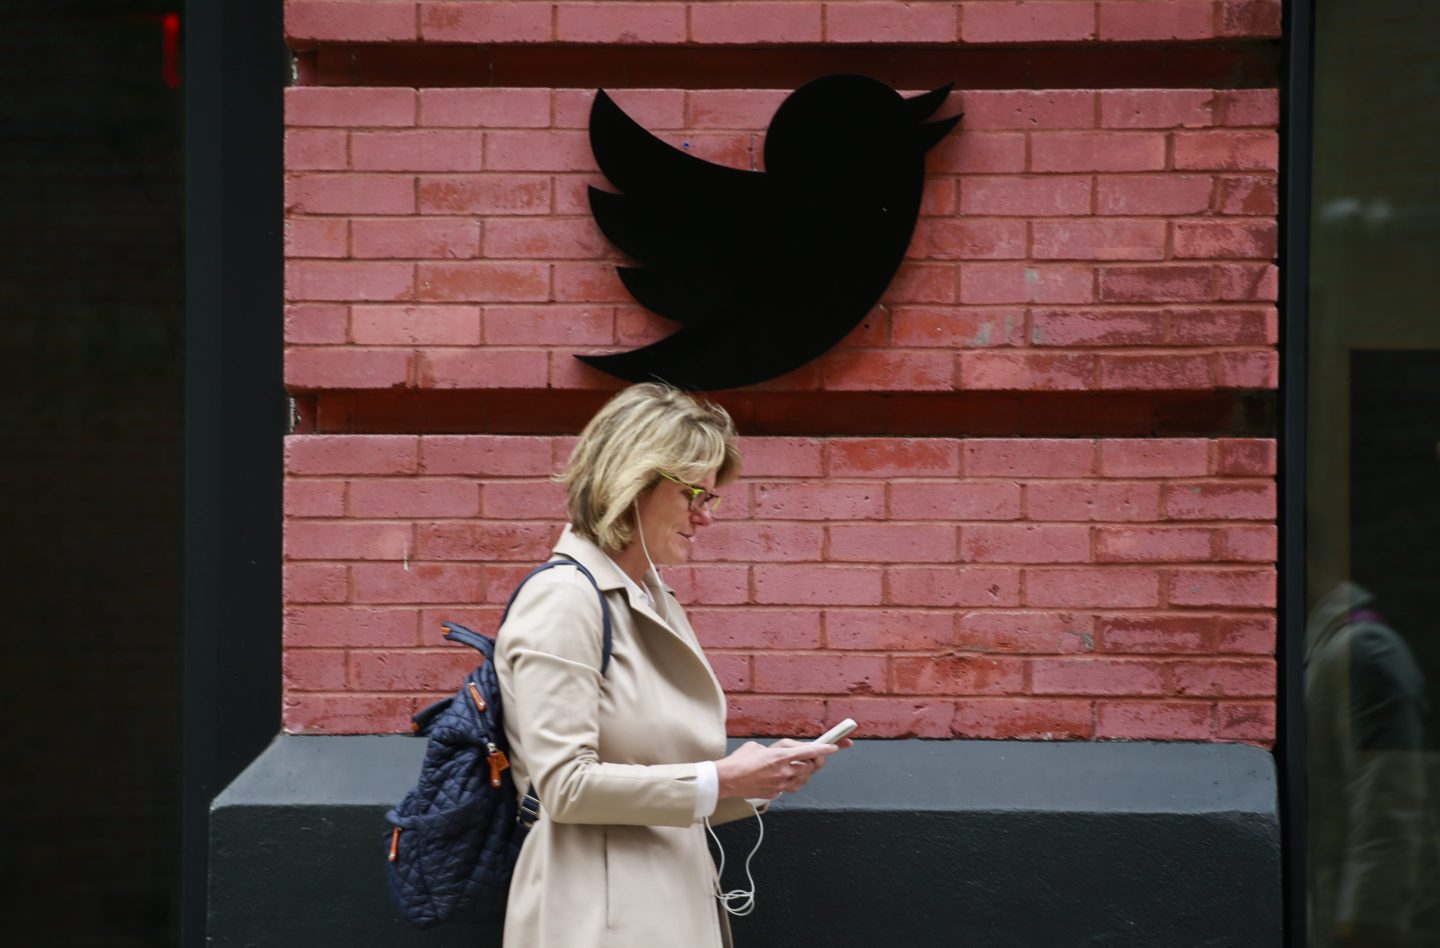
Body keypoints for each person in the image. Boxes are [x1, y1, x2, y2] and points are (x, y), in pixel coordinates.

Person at [494, 383, 845, 947]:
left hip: (664, 904)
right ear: (634, 483)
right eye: (693, 495)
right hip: (595, 917)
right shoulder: (566, 597)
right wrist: (719, 777)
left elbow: (666, 781)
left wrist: (760, 781)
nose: (705, 517)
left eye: (711, 498)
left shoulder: (650, 598)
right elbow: (564, 786)